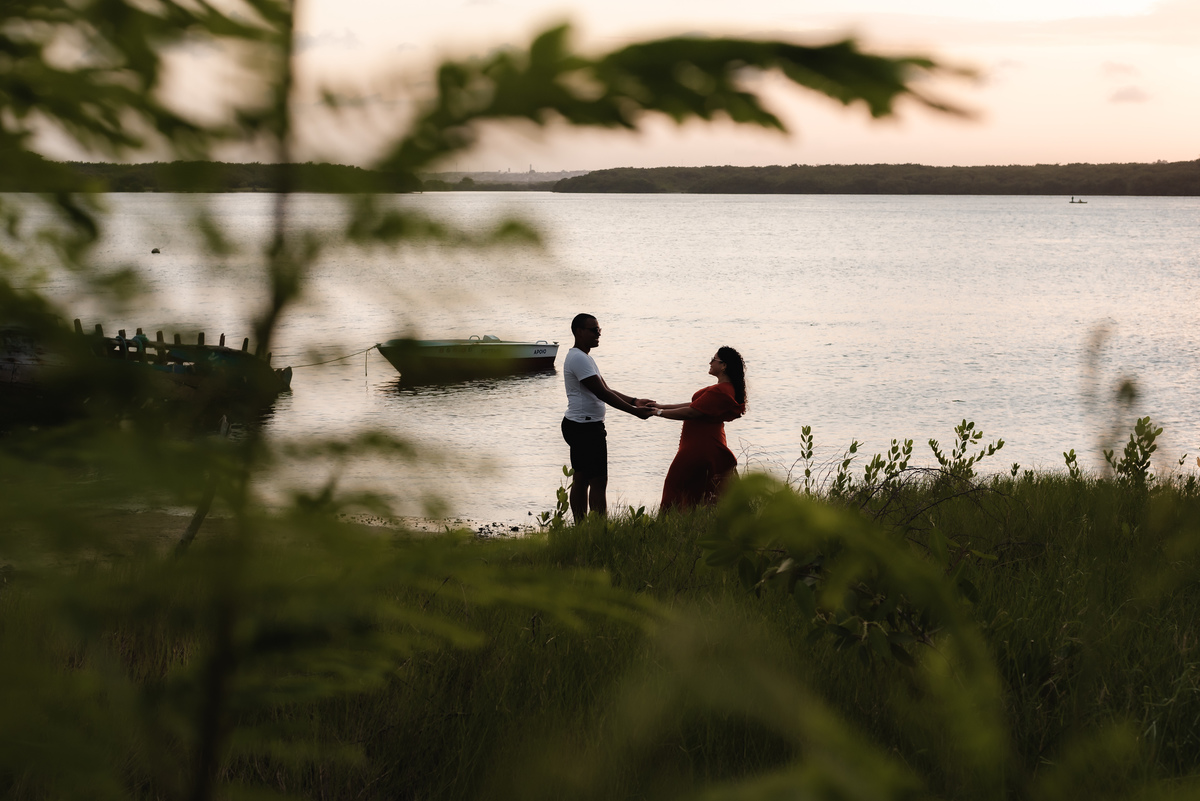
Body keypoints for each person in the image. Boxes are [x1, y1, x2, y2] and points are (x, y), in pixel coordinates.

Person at [561, 313, 654, 522]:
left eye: (599, 330)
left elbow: (606, 389)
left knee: (583, 477)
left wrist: (635, 401)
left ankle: (583, 528)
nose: (598, 334)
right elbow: (602, 393)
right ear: (579, 332)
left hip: (583, 425)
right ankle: (595, 528)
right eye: (594, 330)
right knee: (596, 479)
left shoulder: (585, 358)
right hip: (584, 427)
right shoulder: (578, 358)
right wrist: (635, 412)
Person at [652, 346, 747, 511]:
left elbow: (692, 412)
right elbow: (695, 405)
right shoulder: (723, 389)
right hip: (705, 443)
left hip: (699, 446)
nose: (710, 362)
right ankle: (693, 520)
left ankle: (669, 521)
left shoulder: (721, 391)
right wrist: (661, 406)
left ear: (724, 366)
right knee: (698, 488)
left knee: (675, 485)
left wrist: (658, 413)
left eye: (713, 359)